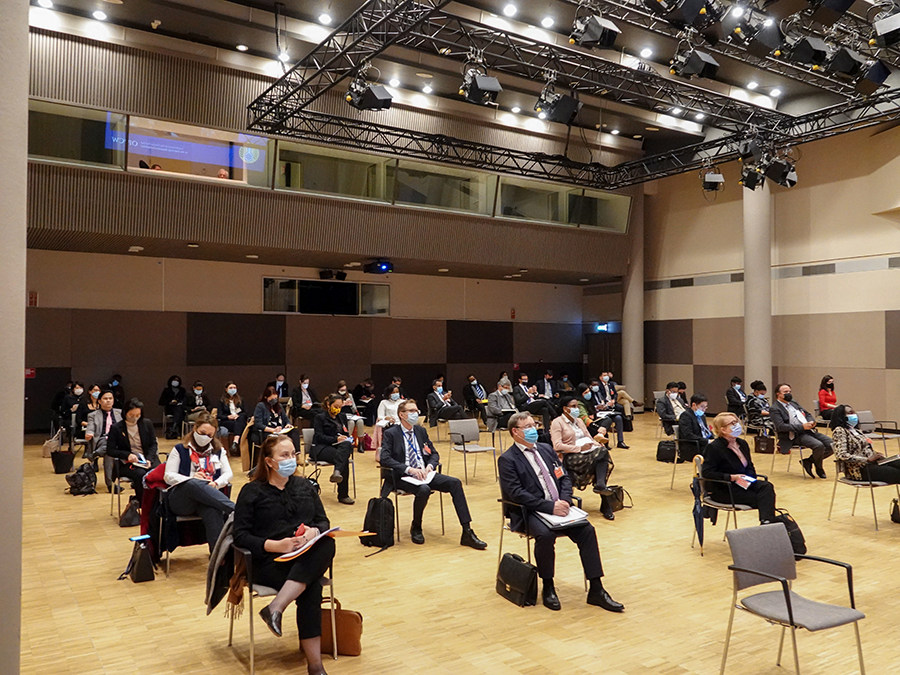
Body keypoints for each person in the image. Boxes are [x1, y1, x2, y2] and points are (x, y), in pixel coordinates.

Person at [498, 412, 624, 612]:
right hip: (530, 512)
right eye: (528, 427)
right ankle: (548, 586)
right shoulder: (508, 459)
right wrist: (549, 507)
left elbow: (564, 477)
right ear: (515, 432)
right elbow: (516, 494)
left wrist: (565, 500)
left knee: (587, 530)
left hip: (560, 507)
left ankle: (596, 589)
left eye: (534, 424)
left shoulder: (546, 450)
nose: (534, 430)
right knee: (546, 535)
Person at [232, 434, 335, 675]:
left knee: (326, 543)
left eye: (293, 455)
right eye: (284, 455)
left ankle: (276, 607)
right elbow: (240, 537)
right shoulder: (252, 491)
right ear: (269, 461)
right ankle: (316, 667)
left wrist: (313, 532)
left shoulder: (305, 486)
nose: (291, 460)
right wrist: (276, 545)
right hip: (269, 563)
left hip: (304, 556)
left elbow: (323, 521)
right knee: (311, 588)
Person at [379, 399, 487, 549]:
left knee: (455, 483)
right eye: (411, 411)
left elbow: (434, 453)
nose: (415, 413)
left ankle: (467, 531)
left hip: (425, 474)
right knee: (424, 490)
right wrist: (409, 469)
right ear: (402, 415)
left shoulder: (420, 431)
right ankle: (416, 526)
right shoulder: (391, 433)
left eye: (416, 411)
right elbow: (384, 459)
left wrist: (430, 466)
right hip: (403, 476)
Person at [164, 413, 235, 550]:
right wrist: (191, 478)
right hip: (182, 500)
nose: (205, 438)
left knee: (213, 511)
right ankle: (236, 509)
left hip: (206, 498)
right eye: (203, 433)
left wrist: (216, 484)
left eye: (210, 435)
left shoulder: (218, 451)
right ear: (195, 428)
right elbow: (168, 476)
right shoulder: (180, 449)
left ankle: (219, 559)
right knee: (193, 484)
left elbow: (228, 474)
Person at [701, 412, 777, 523]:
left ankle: (767, 522)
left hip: (743, 483)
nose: (737, 425)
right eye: (732, 423)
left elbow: (749, 466)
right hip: (724, 487)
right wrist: (732, 477)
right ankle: (768, 523)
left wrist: (750, 479)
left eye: (736, 422)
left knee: (767, 487)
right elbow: (707, 473)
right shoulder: (714, 447)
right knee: (765, 499)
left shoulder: (742, 443)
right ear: (723, 429)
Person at [550, 397, 615, 520]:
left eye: (577, 407)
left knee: (602, 452)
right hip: (570, 456)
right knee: (600, 459)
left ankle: (601, 487)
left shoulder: (579, 421)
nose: (577, 409)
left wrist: (596, 444)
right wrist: (579, 448)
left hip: (587, 453)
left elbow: (589, 437)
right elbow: (557, 445)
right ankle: (602, 492)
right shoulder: (557, 422)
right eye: (573, 406)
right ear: (565, 409)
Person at [771, 383, 834, 479]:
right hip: (793, 435)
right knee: (818, 445)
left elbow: (807, 413)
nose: (788, 394)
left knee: (832, 444)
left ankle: (809, 461)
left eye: (790, 392)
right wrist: (802, 427)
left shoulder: (793, 403)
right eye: (785, 392)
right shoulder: (775, 408)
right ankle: (819, 468)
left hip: (808, 430)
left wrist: (811, 421)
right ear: (778, 394)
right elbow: (781, 426)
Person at [106, 398, 160, 501]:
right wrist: (127, 455)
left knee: (157, 473)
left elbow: (153, 444)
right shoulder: (116, 428)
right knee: (140, 474)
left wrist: (149, 459)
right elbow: (110, 450)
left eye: (137, 415)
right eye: (131, 415)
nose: (134, 418)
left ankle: (157, 502)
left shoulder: (147, 424)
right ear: (125, 413)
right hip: (128, 463)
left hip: (147, 459)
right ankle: (142, 502)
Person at [831, 404, 900, 484]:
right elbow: (841, 455)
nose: (854, 414)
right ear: (842, 416)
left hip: (872, 463)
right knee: (896, 473)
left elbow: (865, 448)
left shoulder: (857, 430)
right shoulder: (839, 431)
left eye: (854, 412)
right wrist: (866, 459)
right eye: (850, 413)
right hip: (858, 469)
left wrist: (877, 455)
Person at [311, 394, 355, 505]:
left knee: (345, 448)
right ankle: (343, 495)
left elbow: (345, 433)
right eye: (336, 406)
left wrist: (348, 438)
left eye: (340, 407)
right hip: (322, 448)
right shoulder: (320, 417)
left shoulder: (342, 417)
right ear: (328, 404)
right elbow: (318, 436)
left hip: (339, 447)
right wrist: (336, 438)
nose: (338, 409)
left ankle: (337, 472)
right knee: (343, 459)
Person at [84, 390, 121, 491]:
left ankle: (96, 454)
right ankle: (110, 485)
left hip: (118, 440)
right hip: (102, 439)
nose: (108, 401)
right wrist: (89, 433)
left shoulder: (120, 413)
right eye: (105, 399)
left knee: (110, 448)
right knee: (109, 450)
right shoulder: (93, 415)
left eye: (110, 398)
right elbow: (90, 427)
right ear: (99, 401)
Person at [584, 378, 629, 449]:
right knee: (607, 420)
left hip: (605, 411)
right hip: (597, 414)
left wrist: (606, 405)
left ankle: (620, 441)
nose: (596, 386)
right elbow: (589, 407)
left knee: (618, 418)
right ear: (590, 386)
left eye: (597, 385)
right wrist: (596, 407)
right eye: (594, 385)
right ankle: (605, 442)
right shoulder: (588, 395)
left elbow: (605, 400)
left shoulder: (600, 392)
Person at [252, 386, 297, 450]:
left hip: (280, 429)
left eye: (276, 398)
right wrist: (273, 430)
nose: (274, 401)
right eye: (272, 399)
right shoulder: (261, 406)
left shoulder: (279, 406)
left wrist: (288, 424)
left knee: (294, 431)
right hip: (268, 431)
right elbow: (258, 424)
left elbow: (286, 419)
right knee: (276, 438)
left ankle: (295, 452)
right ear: (266, 398)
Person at [677, 394, 712, 460]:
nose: (704, 409)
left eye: (705, 407)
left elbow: (706, 430)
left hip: (702, 443)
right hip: (693, 445)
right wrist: (707, 441)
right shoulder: (686, 416)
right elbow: (688, 435)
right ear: (694, 405)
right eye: (702, 407)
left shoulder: (702, 416)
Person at [373, 385, 404, 454]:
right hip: (391, 424)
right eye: (393, 392)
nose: (396, 394)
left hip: (402, 423)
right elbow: (380, 416)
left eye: (397, 392)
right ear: (389, 393)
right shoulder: (384, 403)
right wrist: (386, 418)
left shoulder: (403, 402)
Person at [217, 381, 247, 454]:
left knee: (241, 419)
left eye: (234, 388)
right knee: (240, 425)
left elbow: (245, 412)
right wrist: (228, 417)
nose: (233, 389)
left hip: (238, 420)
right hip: (227, 421)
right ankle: (236, 442)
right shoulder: (222, 400)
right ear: (226, 389)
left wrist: (238, 416)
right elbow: (219, 415)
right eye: (231, 388)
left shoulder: (240, 400)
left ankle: (235, 441)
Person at [334, 381, 364, 448]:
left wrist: (351, 404)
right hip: (341, 415)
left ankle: (361, 443)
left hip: (350, 414)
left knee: (360, 421)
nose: (343, 391)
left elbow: (354, 408)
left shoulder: (349, 395)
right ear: (338, 389)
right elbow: (335, 408)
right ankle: (347, 440)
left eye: (344, 390)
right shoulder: (335, 397)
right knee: (351, 423)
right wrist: (343, 404)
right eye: (341, 390)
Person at [158, 375, 186, 439]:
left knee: (179, 409)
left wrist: (178, 402)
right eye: (174, 380)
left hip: (180, 407)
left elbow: (185, 400)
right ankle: (175, 429)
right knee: (179, 412)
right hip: (170, 408)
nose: (176, 382)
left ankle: (173, 428)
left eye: (177, 381)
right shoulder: (166, 390)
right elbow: (161, 402)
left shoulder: (182, 390)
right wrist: (169, 402)